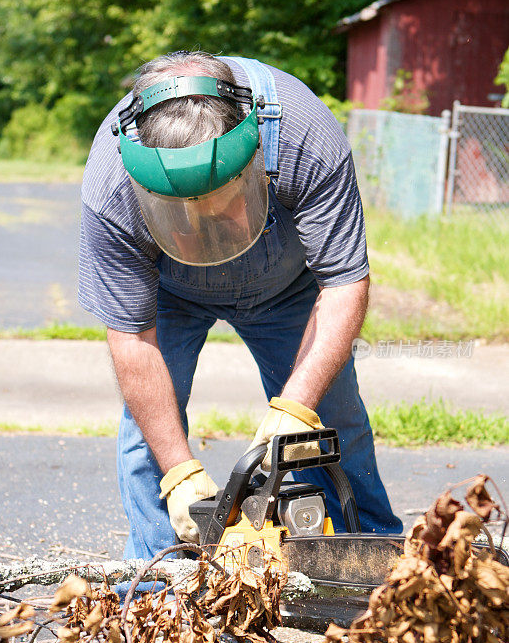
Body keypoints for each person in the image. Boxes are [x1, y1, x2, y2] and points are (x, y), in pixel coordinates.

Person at [79, 51, 402, 560]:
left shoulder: (302, 134)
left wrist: (296, 406)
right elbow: (131, 340)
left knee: (332, 421)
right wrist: (179, 471)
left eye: (225, 202)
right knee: (149, 437)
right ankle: (154, 580)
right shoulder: (111, 182)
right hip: (169, 294)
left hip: (289, 287)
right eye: (183, 212)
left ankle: (375, 560)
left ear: (251, 152)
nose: (207, 225)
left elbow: (343, 282)